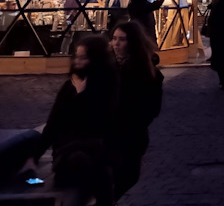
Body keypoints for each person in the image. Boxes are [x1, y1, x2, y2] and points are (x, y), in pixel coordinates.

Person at [32, 35, 117, 206]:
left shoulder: (107, 84)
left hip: (95, 147)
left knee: (97, 160)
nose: (77, 62)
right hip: (69, 151)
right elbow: (54, 122)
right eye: (76, 57)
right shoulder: (69, 86)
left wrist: (82, 95)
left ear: (96, 59)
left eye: (83, 58)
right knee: (85, 160)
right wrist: (35, 155)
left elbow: (98, 121)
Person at [108, 21, 164, 199]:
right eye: (114, 38)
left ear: (133, 42)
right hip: (107, 133)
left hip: (133, 133)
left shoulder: (147, 72)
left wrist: (136, 122)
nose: (116, 43)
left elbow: (153, 107)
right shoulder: (104, 68)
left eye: (122, 39)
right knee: (110, 176)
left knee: (130, 176)